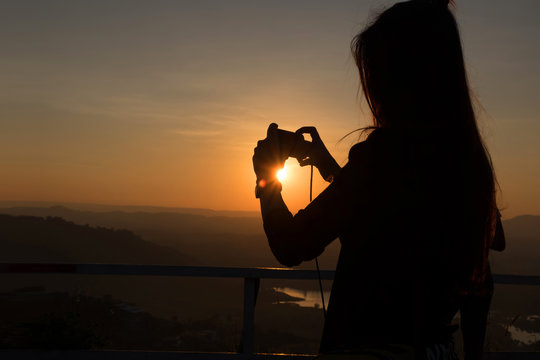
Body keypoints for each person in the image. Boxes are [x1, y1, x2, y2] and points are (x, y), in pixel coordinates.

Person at [252, 0, 504, 359]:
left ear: (399, 79)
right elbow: (396, 218)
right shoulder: (468, 163)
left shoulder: (381, 157)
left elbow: (291, 244)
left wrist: (265, 178)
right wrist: (328, 165)